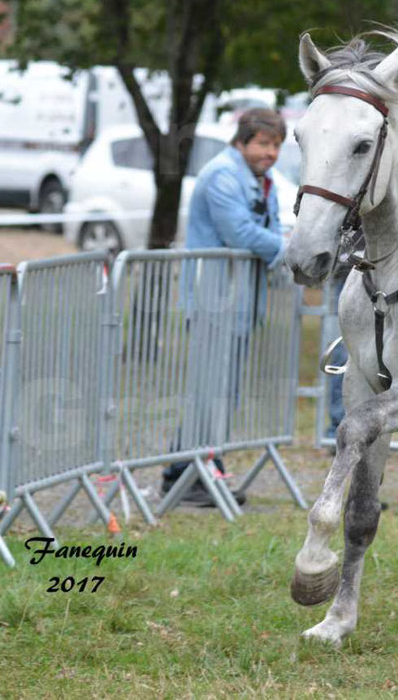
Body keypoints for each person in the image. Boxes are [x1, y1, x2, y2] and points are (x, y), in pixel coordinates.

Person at [161, 108, 286, 506]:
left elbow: (267, 229)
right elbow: (240, 234)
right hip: (213, 301)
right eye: (263, 143)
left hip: (241, 302)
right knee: (207, 393)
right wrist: (290, 250)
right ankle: (183, 477)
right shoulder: (223, 175)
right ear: (242, 141)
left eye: (277, 145)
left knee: (223, 394)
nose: (270, 153)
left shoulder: (261, 181)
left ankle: (197, 471)